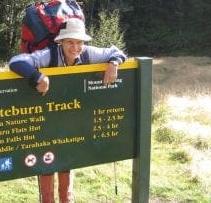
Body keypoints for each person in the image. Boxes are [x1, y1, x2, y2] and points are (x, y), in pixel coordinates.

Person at [8, 18, 126, 203]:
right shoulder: (49, 55)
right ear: (60, 41)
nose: (75, 47)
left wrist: (114, 64)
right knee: (46, 161)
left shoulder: (88, 53)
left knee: (67, 159)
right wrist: (37, 76)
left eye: (79, 42)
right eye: (70, 42)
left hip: (71, 119)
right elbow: (16, 62)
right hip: (47, 118)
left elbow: (116, 52)